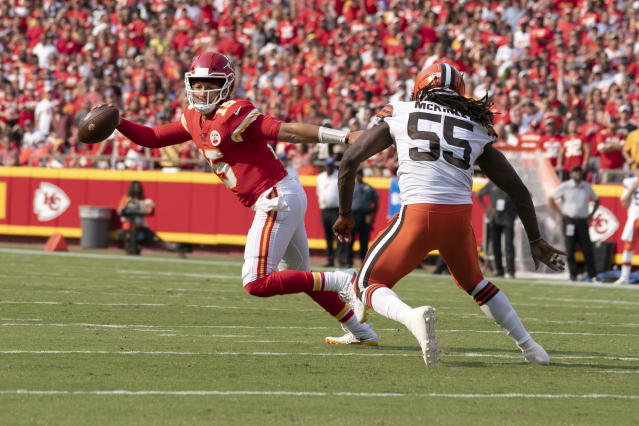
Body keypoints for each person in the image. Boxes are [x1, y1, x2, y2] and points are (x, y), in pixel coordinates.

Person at [111, 51, 377, 345]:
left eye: (209, 84)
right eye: (197, 84)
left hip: (275, 197)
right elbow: (152, 137)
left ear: (227, 85)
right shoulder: (192, 117)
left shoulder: (234, 113)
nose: (202, 91)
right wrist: (117, 121)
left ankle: (344, 279)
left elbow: (285, 130)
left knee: (256, 282)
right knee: (300, 277)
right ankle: (361, 332)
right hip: (282, 193)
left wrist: (342, 136)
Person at [333, 62, 566, 366]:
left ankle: (411, 317)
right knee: (476, 283)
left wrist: (345, 212)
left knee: (366, 284)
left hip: (419, 213)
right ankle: (531, 348)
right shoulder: (476, 126)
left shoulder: (401, 111)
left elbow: (350, 160)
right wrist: (536, 239)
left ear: (421, 87)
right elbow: (519, 190)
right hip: (459, 219)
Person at [548, 166, 599, 281]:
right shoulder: (565, 186)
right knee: (570, 249)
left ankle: (592, 275)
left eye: (579, 172)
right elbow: (551, 198)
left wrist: (591, 215)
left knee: (587, 249)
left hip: (582, 221)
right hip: (569, 221)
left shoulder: (586, 186)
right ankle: (573, 274)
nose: (578, 174)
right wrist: (560, 213)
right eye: (575, 172)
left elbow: (597, 200)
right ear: (571, 174)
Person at [116, 180, 186, 257]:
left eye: (138, 187)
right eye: (135, 187)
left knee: (154, 238)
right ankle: (135, 247)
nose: (136, 189)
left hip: (140, 227)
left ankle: (175, 248)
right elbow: (120, 210)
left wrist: (141, 205)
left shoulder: (143, 200)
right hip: (128, 228)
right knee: (132, 250)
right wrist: (128, 207)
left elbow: (149, 211)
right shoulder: (126, 198)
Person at [477, 180, 517, 278]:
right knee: (495, 245)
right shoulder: (492, 183)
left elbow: (527, 195)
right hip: (495, 218)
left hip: (508, 218)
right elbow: (478, 194)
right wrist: (487, 208)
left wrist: (516, 211)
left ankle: (511, 271)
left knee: (509, 245)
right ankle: (499, 270)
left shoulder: (512, 182)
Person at [613, 167, 639, 285]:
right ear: (636, 170)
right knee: (628, 248)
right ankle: (624, 277)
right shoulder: (629, 182)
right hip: (634, 218)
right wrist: (633, 188)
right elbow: (623, 202)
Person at [348, 168, 379, 266]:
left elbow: (376, 203)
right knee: (350, 239)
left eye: (360, 174)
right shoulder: (351, 186)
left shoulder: (369, 188)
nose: (359, 176)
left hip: (365, 216)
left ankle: (363, 261)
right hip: (353, 216)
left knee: (364, 240)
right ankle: (348, 261)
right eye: (357, 174)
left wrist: (373, 216)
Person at [316, 157, 343, 267]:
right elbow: (319, 191)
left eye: (331, 165)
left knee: (338, 235)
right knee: (327, 236)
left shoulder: (338, 175)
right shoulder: (320, 177)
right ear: (325, 166)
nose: (329, 168)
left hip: (336, 210)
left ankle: (341, 259)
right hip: (325, 209)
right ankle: (330, 259)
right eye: (328, 165)